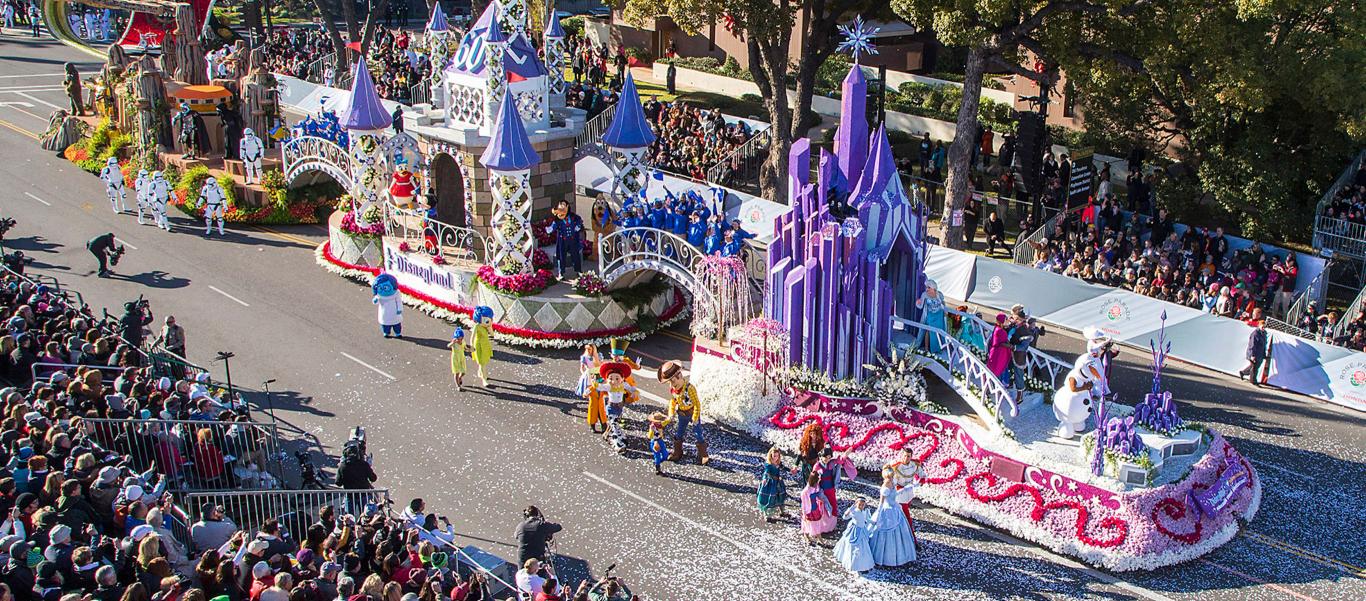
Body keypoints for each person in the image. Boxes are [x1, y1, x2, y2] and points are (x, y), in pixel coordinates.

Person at [658, 360, 707, 464]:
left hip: (692, 413)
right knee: (679, 433)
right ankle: (677, 452)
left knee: (698, 434)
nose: (671, 384)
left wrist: (695, 417)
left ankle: (703, 454)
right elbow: (673, 401)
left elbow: (697, 404)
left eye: (673, 381)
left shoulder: (690, 388)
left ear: (679, 376)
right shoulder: (673, 389)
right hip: (681, 414)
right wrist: (671, 414)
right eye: (670, 382)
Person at [869, 472, 917, 567]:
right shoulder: (885, 486)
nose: (890, 479)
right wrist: (879, 512)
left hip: (895, 509)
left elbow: (894, 496)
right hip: (887, 511)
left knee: (899, 533)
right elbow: (881, 502)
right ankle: (885, 558)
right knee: (886, 534)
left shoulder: (892, 483)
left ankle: (901, 557)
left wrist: (906, 489)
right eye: (888, 477)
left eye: (891, 477)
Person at [833, 497, 875, 573]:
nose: (861, 506)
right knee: (855, 547)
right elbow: (845, 517)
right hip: (855, 531)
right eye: (860, 504)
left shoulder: (865, 511)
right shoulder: (854, 511)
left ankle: (863, 564)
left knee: (863, 547)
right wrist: (849, 511)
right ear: (856, 504)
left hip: (862, 531)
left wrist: (873, 522)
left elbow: (867, 519)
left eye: (863, 504)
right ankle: (854, 564)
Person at [546, 201, 584, 278]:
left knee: (575, 255)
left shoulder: (573, 217)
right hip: (563, 241)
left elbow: (579, 220)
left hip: (573, 240)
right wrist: (550, 229)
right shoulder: (558, 220)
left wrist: (578, 226)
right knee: (561, 256)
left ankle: (578, 270)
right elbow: (554, 226)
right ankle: (561, 273)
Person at [799, 473, 836, 544]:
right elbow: (804, 504)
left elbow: (818, 494)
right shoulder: (805, 492)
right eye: (817, 480)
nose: (818, 481)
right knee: (808, 523)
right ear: (813, 481)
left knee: (817, 524)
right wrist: (804, 513)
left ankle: (816, 538)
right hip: (809, 511)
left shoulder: (816, 487)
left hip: (815, 509)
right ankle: (809, 537)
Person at [755, 446, 788, 522]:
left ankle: (782, 511)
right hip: (770, 483)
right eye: (774, 456)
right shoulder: (768, 465)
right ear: (771, 455)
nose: (776, 458)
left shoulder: (778, 463)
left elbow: (783, 468)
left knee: (780, 496)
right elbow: (766, 473)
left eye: (777, 456)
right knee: (769, 498)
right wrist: (764, 480)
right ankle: (766, 514)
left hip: (778, 482)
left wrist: (791, 470)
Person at [916, 279, 946, 354]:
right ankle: (926, 349)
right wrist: (917, 303)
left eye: (929, 287)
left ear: (933, 288)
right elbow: (920, 306)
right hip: (930, 316)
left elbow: (943, 304)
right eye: (927, 287)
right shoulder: (924, 294)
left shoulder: (939, 294)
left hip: (938, 315)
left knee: (938, 331)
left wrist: (945, 311)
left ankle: (937, 348)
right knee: (928, 330)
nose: (927, 289)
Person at [372, 273, 403, 338]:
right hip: (384, 313)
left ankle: (398, 333)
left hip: (394, 312)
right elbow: (376, 302)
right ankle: (386, 332)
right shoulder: (379, 295)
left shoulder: (396, 293)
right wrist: (375, 300)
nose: (383, 290)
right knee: (385, 325)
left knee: (396, 324)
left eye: (386, 287)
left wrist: (399, 309)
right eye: (380, 288)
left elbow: (399, 301)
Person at [1240, 319, 1270, 386]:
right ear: (1259, 325)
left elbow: (1264, 344)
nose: (1264, 328)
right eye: (1262, 326)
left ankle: (1243, 372)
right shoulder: (1255, 333)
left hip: (1260, 353)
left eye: (1264, 326)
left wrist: (1264, 354)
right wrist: (1252, 355)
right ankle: (1254, 381)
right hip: (1255, 353)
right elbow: (1252, 345)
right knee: (1255, 367)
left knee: (1254, 366)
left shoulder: (1264, 334)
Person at [470, 305, 494, 387]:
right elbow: (472, 337)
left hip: (486, 344)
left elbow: (492, 334)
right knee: (482, 363)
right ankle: (484, 379)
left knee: (484, 362)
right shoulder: (477, 326)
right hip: (479, 345)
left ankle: (480, 372)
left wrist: (490, 327)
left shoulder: (487, 326)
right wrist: (471, 346)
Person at [986, 313, 1012, 381]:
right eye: (1006, 319)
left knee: (996, 371)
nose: (1007, 321)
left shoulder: (997, 328)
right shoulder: (1000, 330)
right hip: (998, 355)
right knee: (996, 372)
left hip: (998, 354)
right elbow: (1001, 343)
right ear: (1002, 321)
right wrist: (1012, 346)